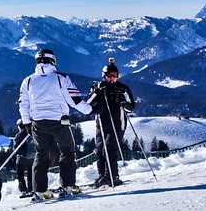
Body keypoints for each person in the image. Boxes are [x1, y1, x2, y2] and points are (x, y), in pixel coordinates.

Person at [18, 48, 92, 200]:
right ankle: (68, 186)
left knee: (41, 154)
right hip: (59, 121)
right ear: (53, 61)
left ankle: (40, 191)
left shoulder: (28, 80)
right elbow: (75, 99)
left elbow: (23, 104)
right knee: (67, 151)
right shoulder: (61, 78)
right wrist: (89, 109)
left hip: (38, 123)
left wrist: (27, 123)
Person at [86, 60, 136, 188]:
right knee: (99, 150)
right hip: (101, 125)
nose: (112, 78)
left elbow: (132, 107)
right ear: (104, 75)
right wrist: (97, 93)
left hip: (118, 124)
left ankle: (112, 176)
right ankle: (102, 175)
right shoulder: (97, 87)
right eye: (109, 75)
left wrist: (123, 102)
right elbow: (88, 104)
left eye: (115, 75)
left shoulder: (122, 88)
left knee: (109, 149)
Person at [13, 123, 37, 198]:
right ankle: (31, 189)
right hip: (32, 158)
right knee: (30, 175)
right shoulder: (32, 133)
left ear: (20, 126)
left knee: (20, 176)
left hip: (21, 159)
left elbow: (16, 147)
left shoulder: (19, 135)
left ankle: (23, 190)